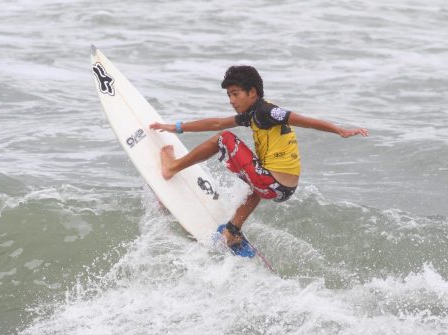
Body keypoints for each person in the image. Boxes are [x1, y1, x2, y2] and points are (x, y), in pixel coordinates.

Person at [149, 65, 369, 247]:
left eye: (235, 94)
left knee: (223, 139)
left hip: (271, 183)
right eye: (229, 95)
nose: (231, 100)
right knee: (256, 168)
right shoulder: (251, 114)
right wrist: (175, 127)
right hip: (282, 189)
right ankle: (232, 230)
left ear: (252, 92)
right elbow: (215, 121)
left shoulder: (266, 112)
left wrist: (338, 130)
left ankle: (173, 167)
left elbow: (304, 120)